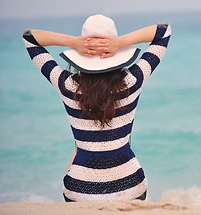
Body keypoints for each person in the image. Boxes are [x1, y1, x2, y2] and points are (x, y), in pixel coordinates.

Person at [22, 14, 172, 202]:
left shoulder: (67, 86)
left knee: (78, 150)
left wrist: (75, 42)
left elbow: (29, 38)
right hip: (129, 188)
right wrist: (119, 43)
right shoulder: (132, 81)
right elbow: (164, 31)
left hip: (79, 191)